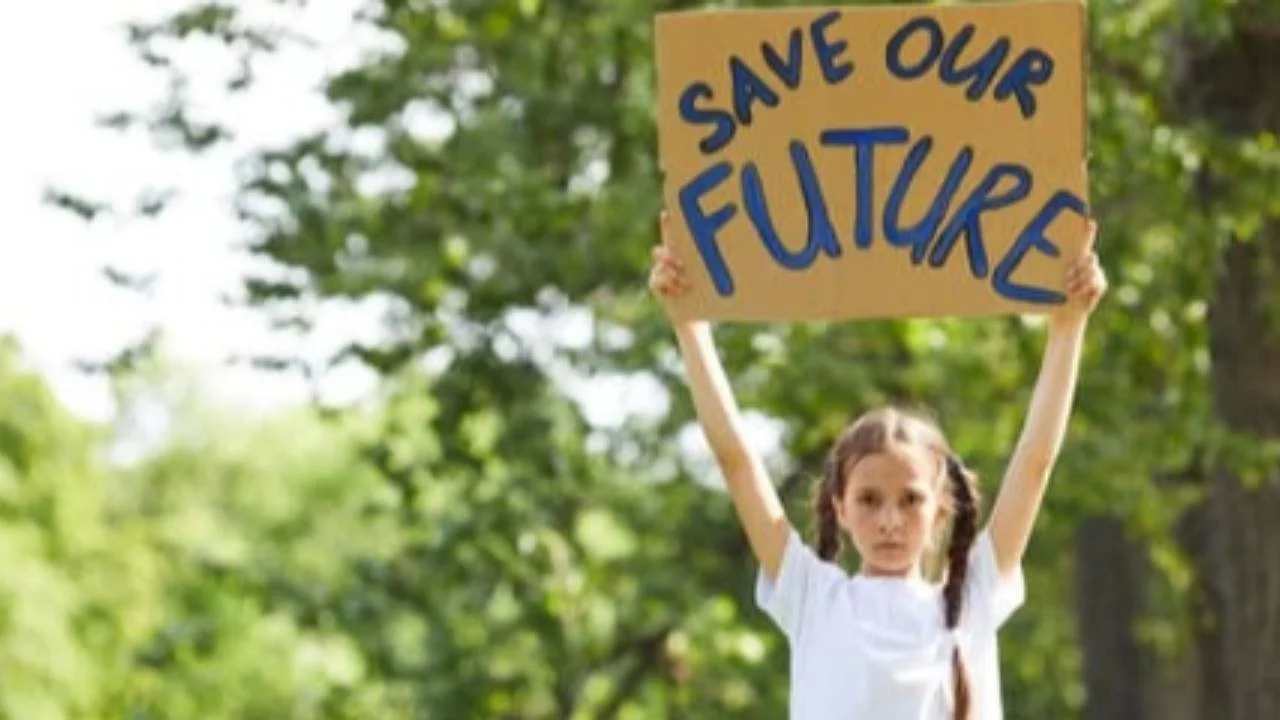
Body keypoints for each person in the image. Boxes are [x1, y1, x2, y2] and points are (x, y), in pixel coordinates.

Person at [647, 211, 1107, 719]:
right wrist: (689, 325)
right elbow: (737, 460)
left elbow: (1036, 463)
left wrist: (1069, 327)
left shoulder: (973, 596)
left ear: (939, 510)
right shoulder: (812, 598)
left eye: (911, 500)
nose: (890, 520)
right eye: (869, 500)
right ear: (839, 506)